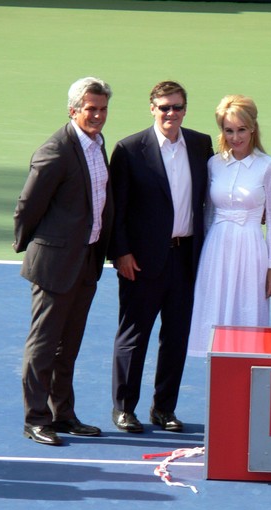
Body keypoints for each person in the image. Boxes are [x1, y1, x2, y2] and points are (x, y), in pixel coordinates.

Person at [13, 76, 113, 446]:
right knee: (43, 345)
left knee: (68, 345)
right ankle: (36, 419)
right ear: (73, 110)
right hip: (56, 263)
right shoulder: (55, 150)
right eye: (91, 109)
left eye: (103, 109)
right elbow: (28, 205)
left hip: (86, 261)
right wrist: (32, 245)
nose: (98, 115)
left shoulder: (96, 145)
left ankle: (63, 414)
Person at [109, 80, 213, 434]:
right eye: (164, 107)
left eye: (178, 107)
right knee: (133, 336)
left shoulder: (200, 145)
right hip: (141, 261)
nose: (171, 113)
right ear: (152, 108)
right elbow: (116, 210)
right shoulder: (129, 149)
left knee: (176, 336)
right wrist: (121, 252)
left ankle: (163, 408)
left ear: (186, 109)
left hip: (185, 259)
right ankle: (124, 409)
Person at [187, 95, 271, 356]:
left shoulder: (268, 166)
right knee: (214, 315)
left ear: (253, 128)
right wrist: (202, 254)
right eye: (229, 130)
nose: (235, 137)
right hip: (216, 249)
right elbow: (208, 213)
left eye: (241, 130)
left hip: (251, 249)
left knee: (247, 313)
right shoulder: (214, 164)